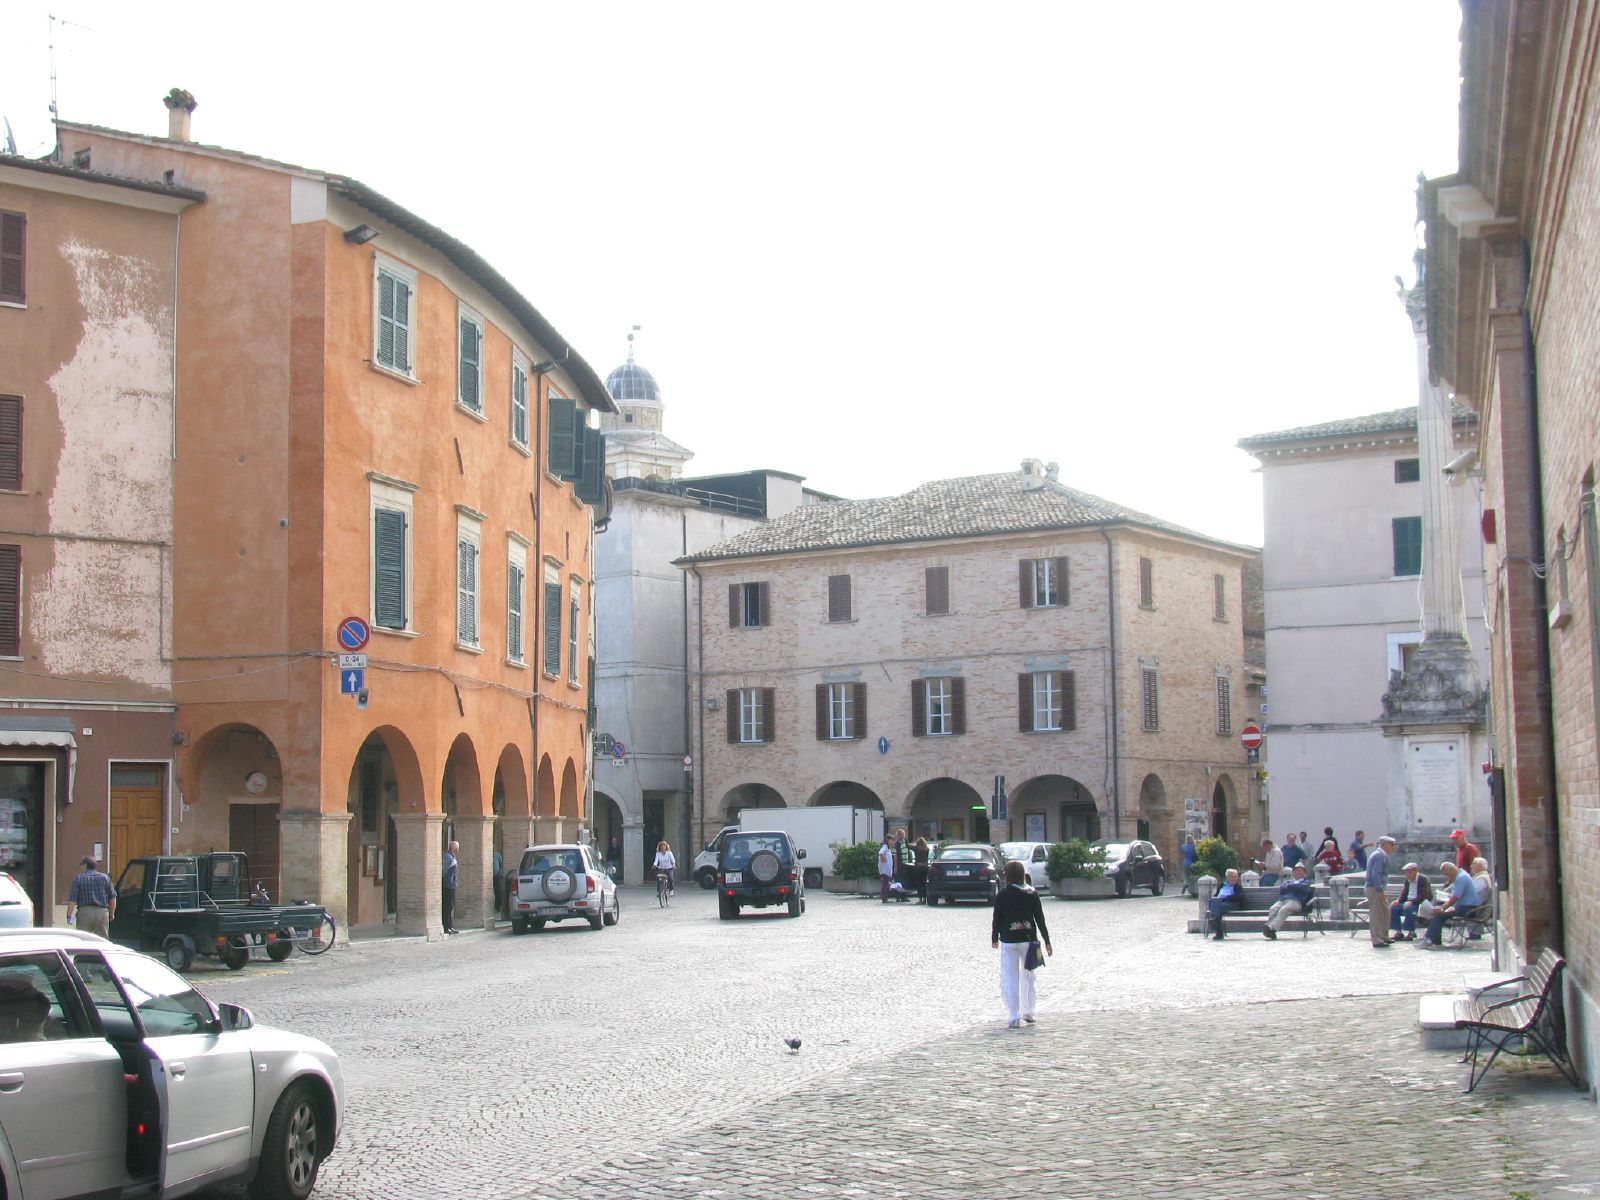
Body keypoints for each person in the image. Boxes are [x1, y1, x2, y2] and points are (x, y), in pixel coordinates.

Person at [991, 859, 1052, 1028]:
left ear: (1007, 876)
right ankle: (1029, 1011)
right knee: (1029, 976)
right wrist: (1047, 940)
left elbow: (997, 917)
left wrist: (994, 937)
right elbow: (1039, 918)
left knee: (1010, 977)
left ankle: (1013, 1015)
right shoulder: (1032, 893)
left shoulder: (1002, 895)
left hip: (1009, 940)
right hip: (1027, 939)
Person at [1420, 861, 1476, 947]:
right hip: (1464, 907)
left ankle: (1429, 939)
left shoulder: (1461, 878)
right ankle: (1433, 939)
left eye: (1447, 874)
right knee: (1438, 914)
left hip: (1467, 908)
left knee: (1439, 915)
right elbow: (1455, 895)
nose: (1447, 877)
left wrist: (1442, 907)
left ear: (1452, 869)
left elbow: (1455, 898)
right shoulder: (1461, 876)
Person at [65, 856, 116, 937]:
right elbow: (112, 898)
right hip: (102, 912)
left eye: (81, 864)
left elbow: (73, 900)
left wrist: (69, 916)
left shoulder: (78, 879)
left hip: (84, 912)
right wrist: (111, 913)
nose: (80, 866)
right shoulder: (105, 878)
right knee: (102, 940)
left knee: (83, 938)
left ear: (85, 865)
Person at [1261, 863, 1313, 939]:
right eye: (1296, 871)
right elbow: (1281, 889)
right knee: (1273, 909)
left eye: (1300, 871)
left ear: (1304, 872)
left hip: (1296, 902)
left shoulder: (1306, 882)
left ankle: (1272, 928)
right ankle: (1269, 927)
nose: (1298, 872)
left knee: (1284, 910)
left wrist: (1290, 887)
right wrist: (1292, 886)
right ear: (1293, 872)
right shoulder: (1289, 882)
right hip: (1284, 900)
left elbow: (1303, 888)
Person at [1364, 835, 1395, 948]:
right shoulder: (1379, 855)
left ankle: (1384, 936)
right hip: (1375, 888)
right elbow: (1375, 874)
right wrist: (1380, 890)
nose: (1392, 847)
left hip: (1378, 887)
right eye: (1391, 845)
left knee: (1385, 912)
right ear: (1385, 844)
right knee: (1377, 914)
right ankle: (1377, 939)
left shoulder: (1380, 855)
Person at [1389, 862, 1433, 940]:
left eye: (1409, 872)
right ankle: (1398, 932)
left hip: (1419, 903)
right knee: (1394, 907)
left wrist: (1412, 902)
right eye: (1406, 872)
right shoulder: (1407, 880)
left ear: (1415, 871)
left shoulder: (1423, 879)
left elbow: (1424, 895)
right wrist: (1398, 901)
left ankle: (1411, 932)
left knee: (1409, 909)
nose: (1407, 874)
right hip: (1408, 902)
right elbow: (1404, 893)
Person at [1207, 868, 1243, 940]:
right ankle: (1215, 919)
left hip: (1232, 904)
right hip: (1219, 904)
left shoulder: (1238, 887)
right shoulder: (1222, 885)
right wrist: (1216, 899)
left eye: (1235, 877)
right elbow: (1216, 895)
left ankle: (1215, 923)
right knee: (1215, 903)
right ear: (1227, 877)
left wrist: (1223, 898)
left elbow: (1237, 897)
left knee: (1217, 906)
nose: (1234, 879)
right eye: (1232, 877)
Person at [441, 840, 459, 935]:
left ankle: (450, 926)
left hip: (451, 885)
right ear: (454, 848)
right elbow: (445, 870)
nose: (458, 850)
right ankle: (446, 927)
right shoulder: (448, 857)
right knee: (447, 907)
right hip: (448, 886)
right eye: (457, 848)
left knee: (451, 906)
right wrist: (448, 881)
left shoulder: (452, 856)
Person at [911, 836, 931, 903]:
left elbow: (908, 846)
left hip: (918, 867)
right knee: (924, 883)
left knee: (919, 884)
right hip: (925, 867)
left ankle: (920, 899)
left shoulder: (916, 849)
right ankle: (925, 899)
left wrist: (904, 840)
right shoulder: (927, 849)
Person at [877, 836, 895, 903]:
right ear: (888, 840)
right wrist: (883, 858)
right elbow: (880, 853)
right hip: (884, 869)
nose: (892, 842)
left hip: (887, 869)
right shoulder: (885, 847)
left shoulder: (888, 848)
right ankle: (884, 899)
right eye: (891, 840)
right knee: (885, 883)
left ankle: (885, 898)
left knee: (886, 883)